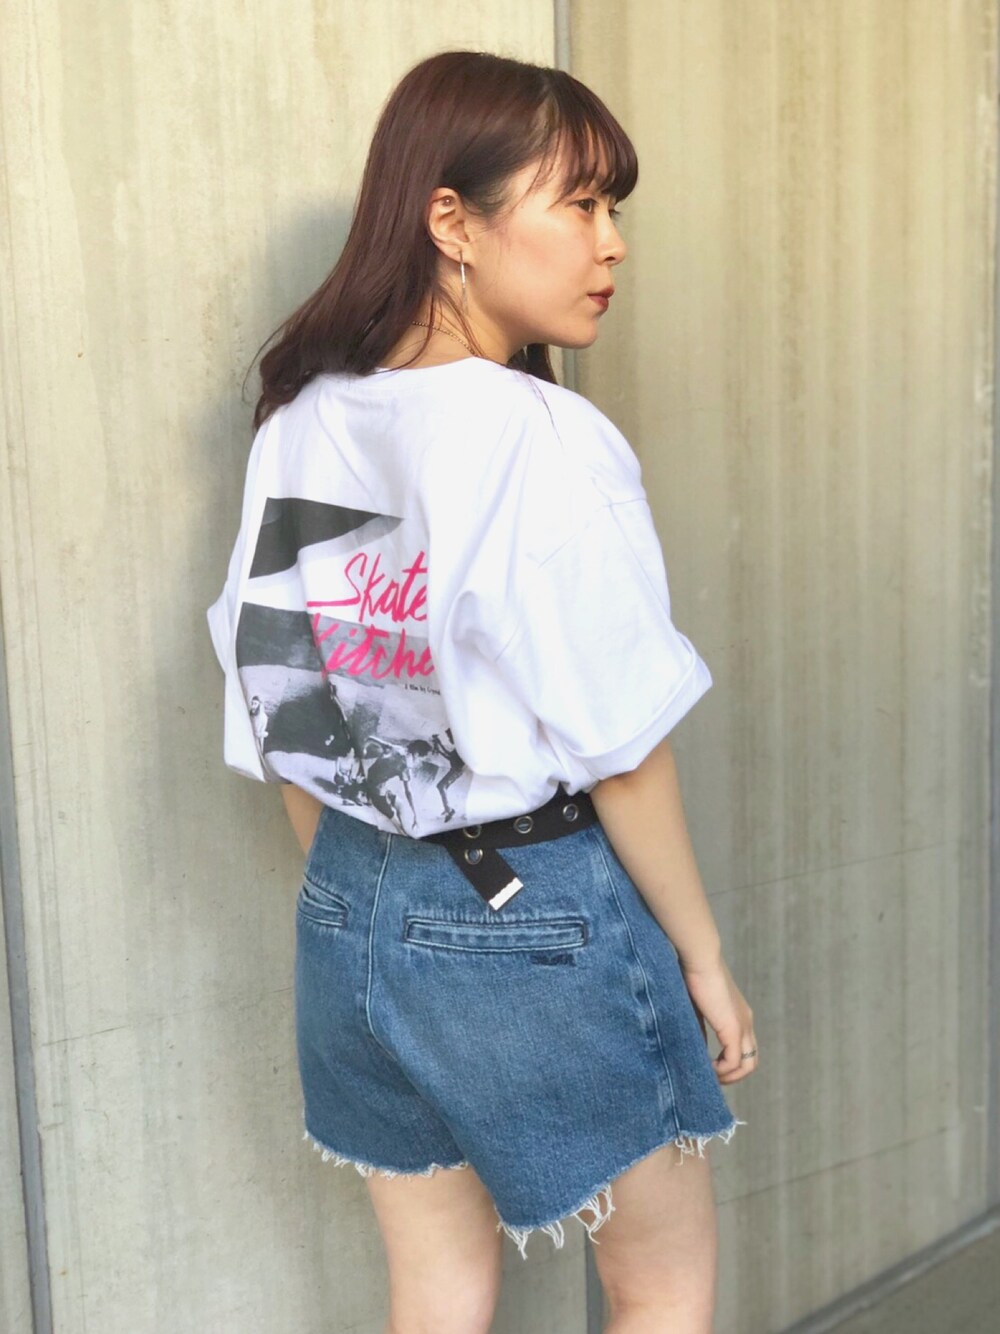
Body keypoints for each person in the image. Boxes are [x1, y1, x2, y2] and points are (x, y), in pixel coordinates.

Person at [207, 48, 757, 1334]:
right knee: (660, 1288)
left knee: (438, 1290)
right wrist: (704, 957)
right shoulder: (540, 437)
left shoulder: (299, 421)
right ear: (450, 220)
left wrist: (376, 887)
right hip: (529, 913)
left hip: (349, 911)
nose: (611, 244)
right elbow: (622, 744)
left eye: (614, 208)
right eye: (580, 203)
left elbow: (285, 710)